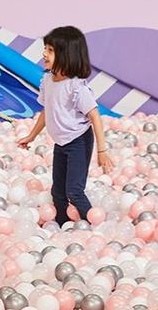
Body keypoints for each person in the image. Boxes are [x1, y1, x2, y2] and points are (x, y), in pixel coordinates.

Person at [17, 25, 115, 226]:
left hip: (78, 141)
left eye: (51, 50)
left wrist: (102, 151)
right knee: (58, 191)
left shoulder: (75, 87)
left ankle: (96, 226)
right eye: (45, 48)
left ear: (66, 55)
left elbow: (95, 117)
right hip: (61, 142)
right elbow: (46, 111)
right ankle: (62, 225)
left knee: (74, 191)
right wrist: (32, 136)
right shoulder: (48, 80)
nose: (44, 53)